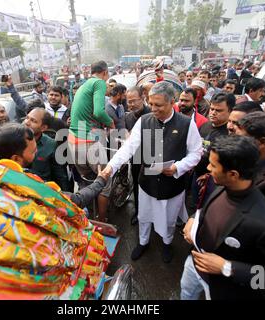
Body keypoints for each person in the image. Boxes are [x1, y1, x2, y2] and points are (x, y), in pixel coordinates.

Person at [181, 135, 265, 300]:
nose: (208, 168)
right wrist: (194, 219)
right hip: (194, 266)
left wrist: (227, 268)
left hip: (223, 288)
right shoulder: (223, 186)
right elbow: (209, 210)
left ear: (233, 174)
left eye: (213, 165)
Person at [102, 82, 203, 263]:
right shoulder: (144, 121)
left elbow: (196, 153)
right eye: (151, 104)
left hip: (172, 184)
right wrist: (111, 166)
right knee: (144, 215)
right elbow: (129, 147)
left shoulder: (187, 125)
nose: (153, 109)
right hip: (147, 182)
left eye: (159, 105)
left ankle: (166, 243)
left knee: (169, 219)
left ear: (172, 102)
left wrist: (177, 168)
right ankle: (143, 242)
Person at [0, 123, 109, 209]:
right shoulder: (29, 183)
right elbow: (75, 201)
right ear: (16, 158)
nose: (36, 153)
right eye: (33, 152)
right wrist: (100, 181)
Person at [68, 60, 115, 222]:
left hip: (73, 141)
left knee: (86, 180)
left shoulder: (83, 85)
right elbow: (99, 112)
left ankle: (85, 218)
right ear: (104, 72)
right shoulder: (99, 83)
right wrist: (111, 123)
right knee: (104, 181)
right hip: (89, 142)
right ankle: (101, 220)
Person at [23, 108, 70, 192]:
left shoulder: (51, 145)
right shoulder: (15, 139)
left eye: (33, 121)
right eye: (27, 118)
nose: (27, 122)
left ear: (43, 127)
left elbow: (60, 176)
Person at [125, 86, 152, 225]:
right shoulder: (128, 117)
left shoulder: (153, 114)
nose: (131, 105)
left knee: (151, 186)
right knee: (136, 184)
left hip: (152, 156)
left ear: (143, 98)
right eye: (128, 102)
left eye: (134, 101)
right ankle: (139, 212)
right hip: (135, 157)